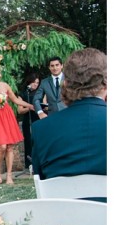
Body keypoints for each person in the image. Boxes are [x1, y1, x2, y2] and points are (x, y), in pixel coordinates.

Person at [31, 48, 106, 181]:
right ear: (105, 84)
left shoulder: (41, 129)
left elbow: (40, 178)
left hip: (61, 201)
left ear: (65, 84)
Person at [0, 66, 33, 185]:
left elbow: (15, 100)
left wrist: (29, 105)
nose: (0, 75)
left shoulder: (5, 85)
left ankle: (9, 175)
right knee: (2, 146)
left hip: (6, 116)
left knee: (10, 146)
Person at [16, 72, 41, 171]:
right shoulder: (23, 93)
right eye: (34, 82)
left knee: (38, 140)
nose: (36, 85)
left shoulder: (40, 92)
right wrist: (30, 107)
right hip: (28, 119)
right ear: (29, 82)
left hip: (38, 118)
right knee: (28, 141)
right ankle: (29, 163)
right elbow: (20, 110)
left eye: (37, 83)